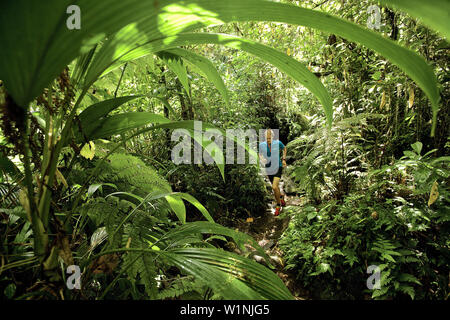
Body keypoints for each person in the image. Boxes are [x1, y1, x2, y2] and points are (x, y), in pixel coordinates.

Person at [259, 129, 287, 216]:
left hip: (278, 166)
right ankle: (281, 197)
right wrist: (261, 158)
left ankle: (278, 206)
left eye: (270, 138)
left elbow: (284, 148)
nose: (268, 140)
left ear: (273, 137)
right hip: (269, 168)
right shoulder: (261, 145)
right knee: (275, 187)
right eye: (267, 138)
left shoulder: (278, 143)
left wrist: (283, 159)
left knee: (274, 187)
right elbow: (259, 153)